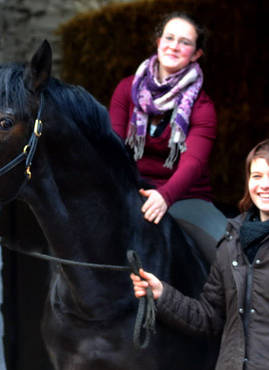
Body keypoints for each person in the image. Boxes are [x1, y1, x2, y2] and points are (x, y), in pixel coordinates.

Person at [130, 139, 269, 369]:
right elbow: (210, 317)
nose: (264, 185)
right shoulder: (233, 241)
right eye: (257, 176)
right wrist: (162, 294)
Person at [109, 11, 226, 263]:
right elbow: (114, 149)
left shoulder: (202, 105)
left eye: (184, 42)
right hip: (132, 191)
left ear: (196, 54)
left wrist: (165, 196)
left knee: (229, 255)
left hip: (185, 197)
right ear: (158, 42)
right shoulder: (126, 89)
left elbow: (194, 163)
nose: (174, 46)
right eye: (169, 37)